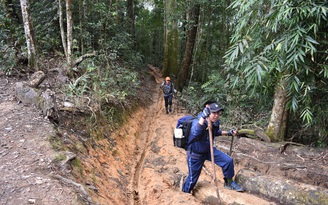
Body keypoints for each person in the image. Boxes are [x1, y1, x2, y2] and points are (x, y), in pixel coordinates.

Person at [182, 102, 244, 193]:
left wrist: (228, 133)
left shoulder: (214, 123)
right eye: (214, 113)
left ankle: (229, 182)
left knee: (228, 161)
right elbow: (195, 132)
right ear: (207, 112)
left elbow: (216, 132)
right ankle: (185, 192)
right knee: (192, 180)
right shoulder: (198, 121)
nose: (216, 115)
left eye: (218, 113)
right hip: (195, 154)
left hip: (208, 150)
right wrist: (203, 117)